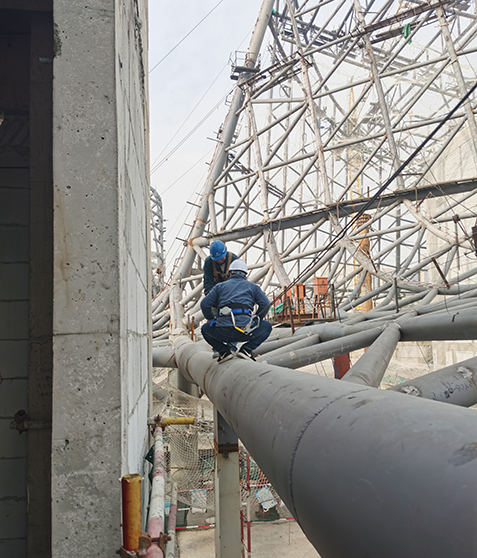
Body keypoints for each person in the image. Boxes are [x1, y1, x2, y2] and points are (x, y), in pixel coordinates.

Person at [201, 259, 273, 363]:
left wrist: (211, 318)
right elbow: (265, 304)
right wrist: (255, 321)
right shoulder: (253, 287)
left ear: (229, 274)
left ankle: (224, 352)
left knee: (205, 329)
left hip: (223, 331)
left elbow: (204, 304)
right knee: (267, 327)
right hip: (245, 331)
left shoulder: (219, 287)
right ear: (245, 275)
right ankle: (246, 350)